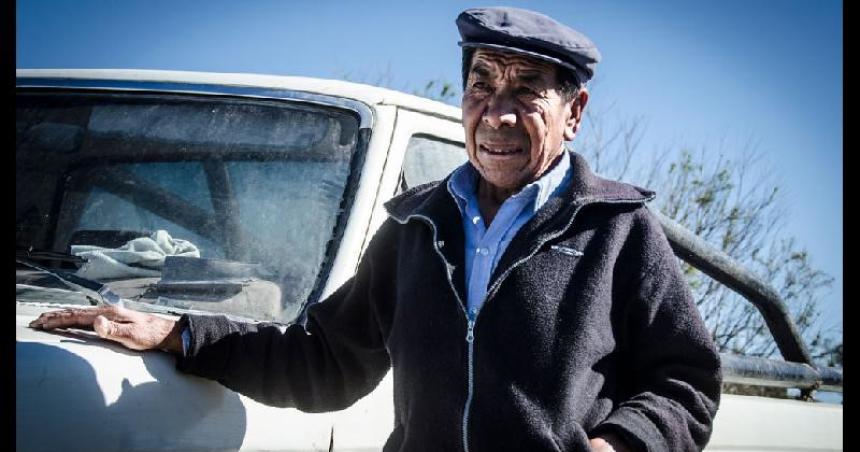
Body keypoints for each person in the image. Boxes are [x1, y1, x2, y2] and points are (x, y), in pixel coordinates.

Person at [29, 7, 722, 452]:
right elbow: (324, 362)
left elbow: (684, 381)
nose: (497, 114)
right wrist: (182, 333)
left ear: (574, 113)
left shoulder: (618, 231)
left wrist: (622, 446)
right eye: (482, 85)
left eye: (526, 91)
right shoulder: (420, 226)